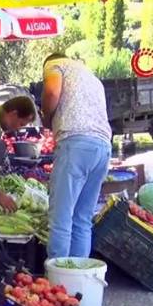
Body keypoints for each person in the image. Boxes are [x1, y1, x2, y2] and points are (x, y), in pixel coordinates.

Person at [40, 53, 113, 258]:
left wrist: (46, 115)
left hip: (76, 143)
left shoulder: (55, 64)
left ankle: (56, 283)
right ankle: (78, 278)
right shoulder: (91, 77)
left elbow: (52, 92)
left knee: (60, 219)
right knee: (82, 220)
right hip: (103, 147)